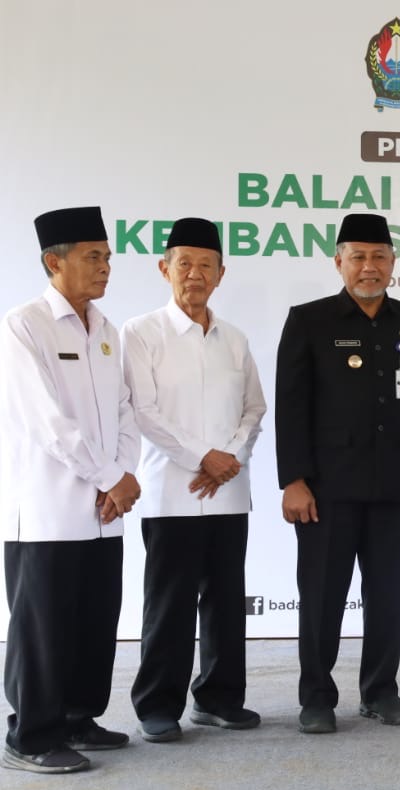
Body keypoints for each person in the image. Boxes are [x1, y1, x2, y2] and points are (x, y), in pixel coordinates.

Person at [275, 212, 400, 735]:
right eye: (358, 257)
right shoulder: (309, 320)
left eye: (378, 257)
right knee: (322, 597)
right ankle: (316, 698)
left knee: (389, 594)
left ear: (393, 262)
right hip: (327, 488)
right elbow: (290, 406)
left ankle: (380, 691)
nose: (368, 267)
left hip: (396, 484)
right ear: (339, 261)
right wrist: (294, 480)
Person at [0, 206, 141, 773]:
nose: (105, 267)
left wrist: (125, 475)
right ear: (52, 262)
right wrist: (111, 476)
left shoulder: (106, 330)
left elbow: (124, 410)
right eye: (93, 257)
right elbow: (47, 421)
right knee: (44, 624)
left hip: (107, 509)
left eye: (107, 257)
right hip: (50, 509)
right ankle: (30, 734)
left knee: (94, 616)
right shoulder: (23, 325)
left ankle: (78, 717)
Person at [122, 218, 267, 743]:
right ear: (165, 269)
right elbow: (145, 411)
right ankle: (158, 706)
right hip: (171, 492)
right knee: (170, 604)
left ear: (222, 274)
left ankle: (220, 698)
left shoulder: (236, 338)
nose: (195, 274)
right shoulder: (141, 333)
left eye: (207, 265)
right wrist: (201, 457)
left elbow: (254, 408)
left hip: (229, 488)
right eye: (185, 263)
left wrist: (229, 458)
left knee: (227, 602)